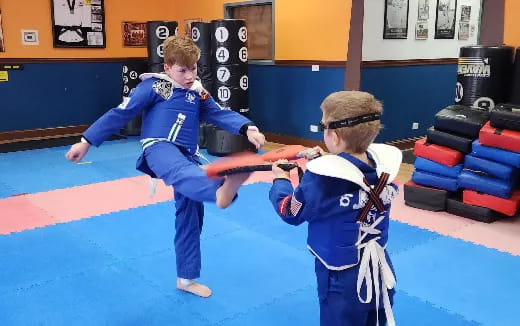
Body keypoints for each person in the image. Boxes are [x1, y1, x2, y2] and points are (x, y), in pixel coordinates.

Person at [65, 35, 266, 298]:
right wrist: (86, 141)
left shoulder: (198, 92)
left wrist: (247, 127)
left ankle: (186, 278)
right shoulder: (154, 87)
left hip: (189, 157)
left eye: (193, 68)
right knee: (183, 173)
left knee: (190, 216)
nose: (189, 75)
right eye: (182, 70)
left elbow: (218, 112)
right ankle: (219, 189)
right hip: (159, 147)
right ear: (167, 67)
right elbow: (121, 113)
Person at [269, 91, 401, 326]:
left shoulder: (321, 180)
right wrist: (328, 160)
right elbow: (352, 174)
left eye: (323, 126)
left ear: (335, 136)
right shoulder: (384, 168)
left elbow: (290, 211)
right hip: (380, 270)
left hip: (342, 278)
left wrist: (281, 181)